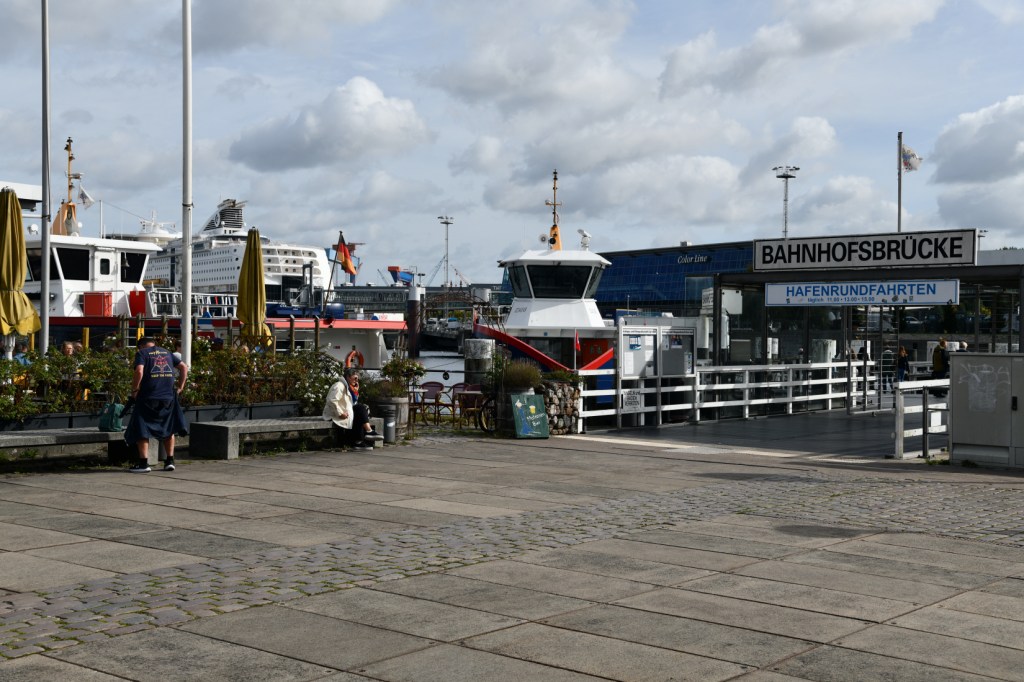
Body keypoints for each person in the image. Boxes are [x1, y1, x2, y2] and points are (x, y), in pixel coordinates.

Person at [124, 337, 189, 473]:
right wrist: (181, 387)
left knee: (142, 428)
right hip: (168, 397)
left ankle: (143, 464)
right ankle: (169, 461)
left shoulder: (142, 353)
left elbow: (139, 371)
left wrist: (134, 390)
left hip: (147, 397)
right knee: (168, 427)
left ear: (140, 346)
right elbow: (184, 367)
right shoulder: (166, 352)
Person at [322, 368, 379, 450]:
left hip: (345, 412)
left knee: (361, 410)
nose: (356, 381)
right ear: (348, 377)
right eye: (355, 378)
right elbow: (331, 401)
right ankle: (366, 434)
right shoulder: (339, 386)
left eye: (357, 379)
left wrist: (356, 392)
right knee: (360, 409)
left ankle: (360, 440)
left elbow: (351, 404)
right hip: (334, 414)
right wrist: (340, 413)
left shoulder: (350, 388)